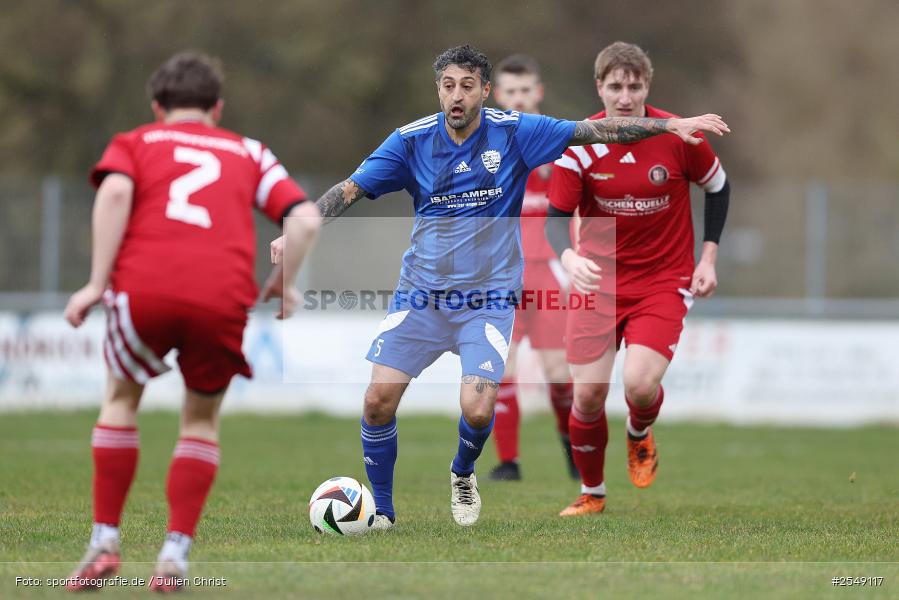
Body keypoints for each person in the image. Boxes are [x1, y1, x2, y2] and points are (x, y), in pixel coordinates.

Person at [272, 44, 727, 529]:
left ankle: (463, 472)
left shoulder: (515, 132)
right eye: (448, 86)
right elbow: (350, 189)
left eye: (467, 86)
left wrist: (668, 125)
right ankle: (382, 511)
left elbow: (593, 130)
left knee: (478, 403)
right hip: (422, 295)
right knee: (377, 400)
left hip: (486, 300)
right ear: (438, 90)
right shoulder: (409, 141)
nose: (457, 96)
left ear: (485, 92)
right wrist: (297, 228)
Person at [62, 52, 320, 591]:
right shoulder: (249, 151)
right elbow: (304, 216)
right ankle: (174, 553)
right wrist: (285, 281)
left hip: (145, 288)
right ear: (217, 108)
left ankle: (105, 541)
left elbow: (113, 191)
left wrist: (94, 281)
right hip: (220, 297)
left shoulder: (135, 142)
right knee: (200, 421)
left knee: (120, 401)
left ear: (157, 107)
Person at [544, 41, 731, 516]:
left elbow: (718, 187)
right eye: (615, 86)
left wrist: (707, 257)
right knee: (585, 395)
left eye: (634, 86)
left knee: (640, 387)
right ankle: (593, 493)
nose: (625, 96)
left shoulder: (680, 136)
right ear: (599, 87)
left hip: (662, 282)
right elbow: (555, 216)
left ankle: (639, 430)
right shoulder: (579, 144)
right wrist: (567, 257)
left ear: (647, 86)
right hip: (597, 285)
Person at [487, 54, 576, 482]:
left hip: (549, 271)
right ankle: (509, 463)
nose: (518, 100)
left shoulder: (558, 141)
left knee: (560, 374)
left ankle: (575, 454)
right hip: (501, 271)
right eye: (511, 92)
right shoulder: (488, 143)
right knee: (501, 366)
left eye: (526, 91)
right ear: (498, 95)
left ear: (537, 92)